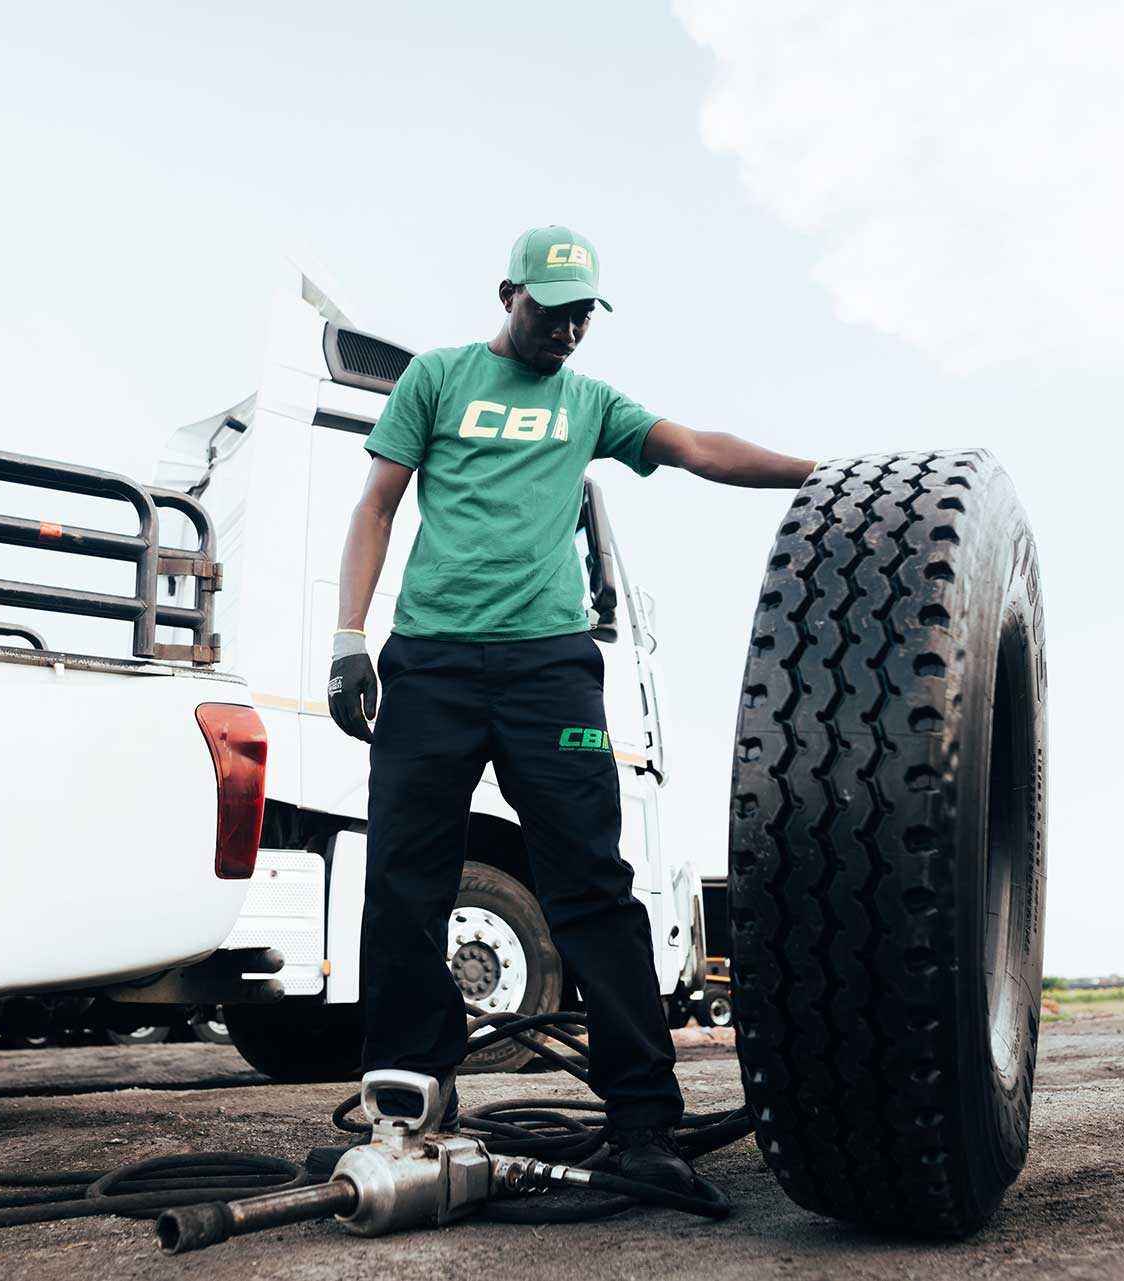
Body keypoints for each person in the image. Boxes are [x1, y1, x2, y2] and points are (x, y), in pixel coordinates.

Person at [328, 225, 816, 1192]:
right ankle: (412, 1102)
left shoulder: (589, 402)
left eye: (584, 312)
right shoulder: (438, 378)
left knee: (591, 881)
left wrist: (822, 474)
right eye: (552, 310)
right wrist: (349, 639)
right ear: (509, 293)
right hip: (431, 662)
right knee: (404, 881)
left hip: (551, 668)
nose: (568, 328)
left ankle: (644, 1119)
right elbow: (377, 504)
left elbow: (695, 449)